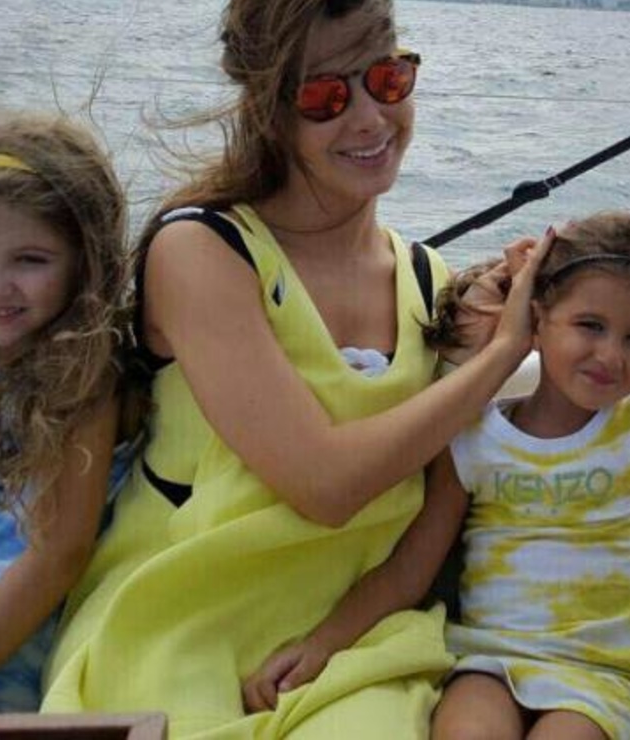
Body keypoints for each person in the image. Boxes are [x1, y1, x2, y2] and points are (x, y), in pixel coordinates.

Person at [42, 0, 549, 738]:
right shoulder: (203, 249)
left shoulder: (427, 281)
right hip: (176, 630)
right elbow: (322, 484)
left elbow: (431, 496)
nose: (369, 117)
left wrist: (485, 336)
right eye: (323, 97)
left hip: (352, 645)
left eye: (387, 78)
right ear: (267, 109)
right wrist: (500, 358)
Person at [243, 210, 630, 740]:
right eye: (590, 325)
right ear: (535, 318)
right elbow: (409, 571)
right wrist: (319, 645)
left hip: (600, 673)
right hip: (489, 660)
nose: (611, 355)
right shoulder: (472, 434)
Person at [0, 111, 135, 712]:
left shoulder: (87, 379)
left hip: (0, 632)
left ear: (85, 261)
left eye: (30, 260)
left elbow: (58, 556)